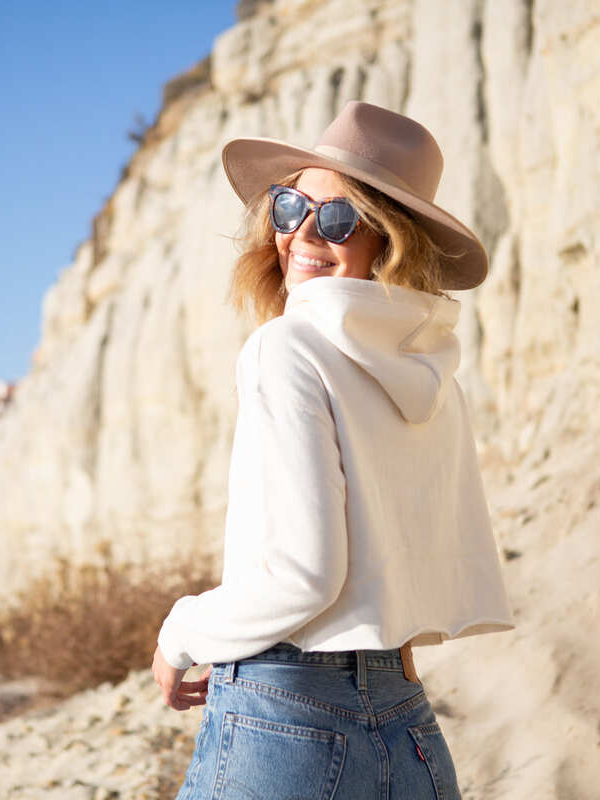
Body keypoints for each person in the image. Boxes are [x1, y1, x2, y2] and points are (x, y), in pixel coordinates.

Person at [152, 101, 515, 799]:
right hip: (408, 727)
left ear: (391, 241)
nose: (304, 233)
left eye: (342, 219)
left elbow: (304, 577)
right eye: (290, 207)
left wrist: (181, 632)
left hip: (284, 715)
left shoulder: (286, 348)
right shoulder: (438, 376)